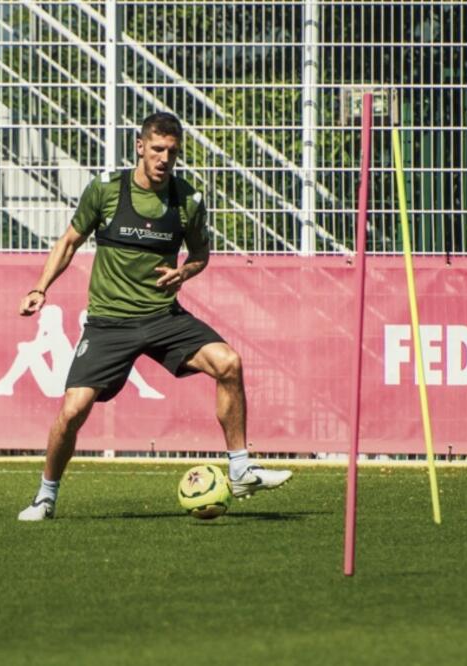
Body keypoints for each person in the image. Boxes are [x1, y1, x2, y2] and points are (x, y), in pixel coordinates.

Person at [15, 112, 292, 520]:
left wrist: (184, 272)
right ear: (140, 147)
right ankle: (45, 496)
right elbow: (70, 241)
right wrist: (40, 288)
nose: (165, 158)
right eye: (158, 149)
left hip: (163, 318)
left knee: (228, 363)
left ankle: (240, 468)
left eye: (173, 152)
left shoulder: (188, 201)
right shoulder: (106, 190)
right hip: (109, 323)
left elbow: (200, 256)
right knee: (73, 411)